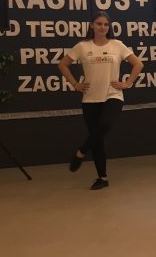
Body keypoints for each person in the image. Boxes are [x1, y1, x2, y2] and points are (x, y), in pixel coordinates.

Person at [57, 11, 143, 190]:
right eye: (99, 24)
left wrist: (127, 83)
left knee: (103, 126)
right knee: (97, 140)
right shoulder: (82, 46)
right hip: (90, 99)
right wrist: (75, 84)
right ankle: (102, 178)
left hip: (113, 95)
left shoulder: (117, 45)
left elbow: (138, 64)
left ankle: (80, 152)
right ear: (92, 26)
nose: (102, 27)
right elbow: (62, 64)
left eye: (105, 24)